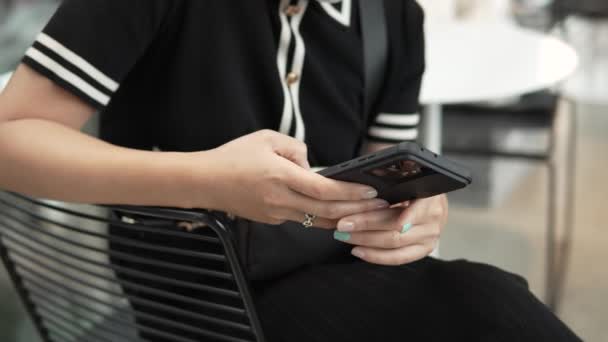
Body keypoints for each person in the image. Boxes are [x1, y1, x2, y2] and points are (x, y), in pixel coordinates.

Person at [0, 0, 580, 341]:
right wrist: (207, 179)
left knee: (490, 303)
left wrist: (419, 212)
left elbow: (390, 175)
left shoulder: (393, 18)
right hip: (198, 293)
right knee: (487, 308)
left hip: (335, 269)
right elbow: (10, 137)